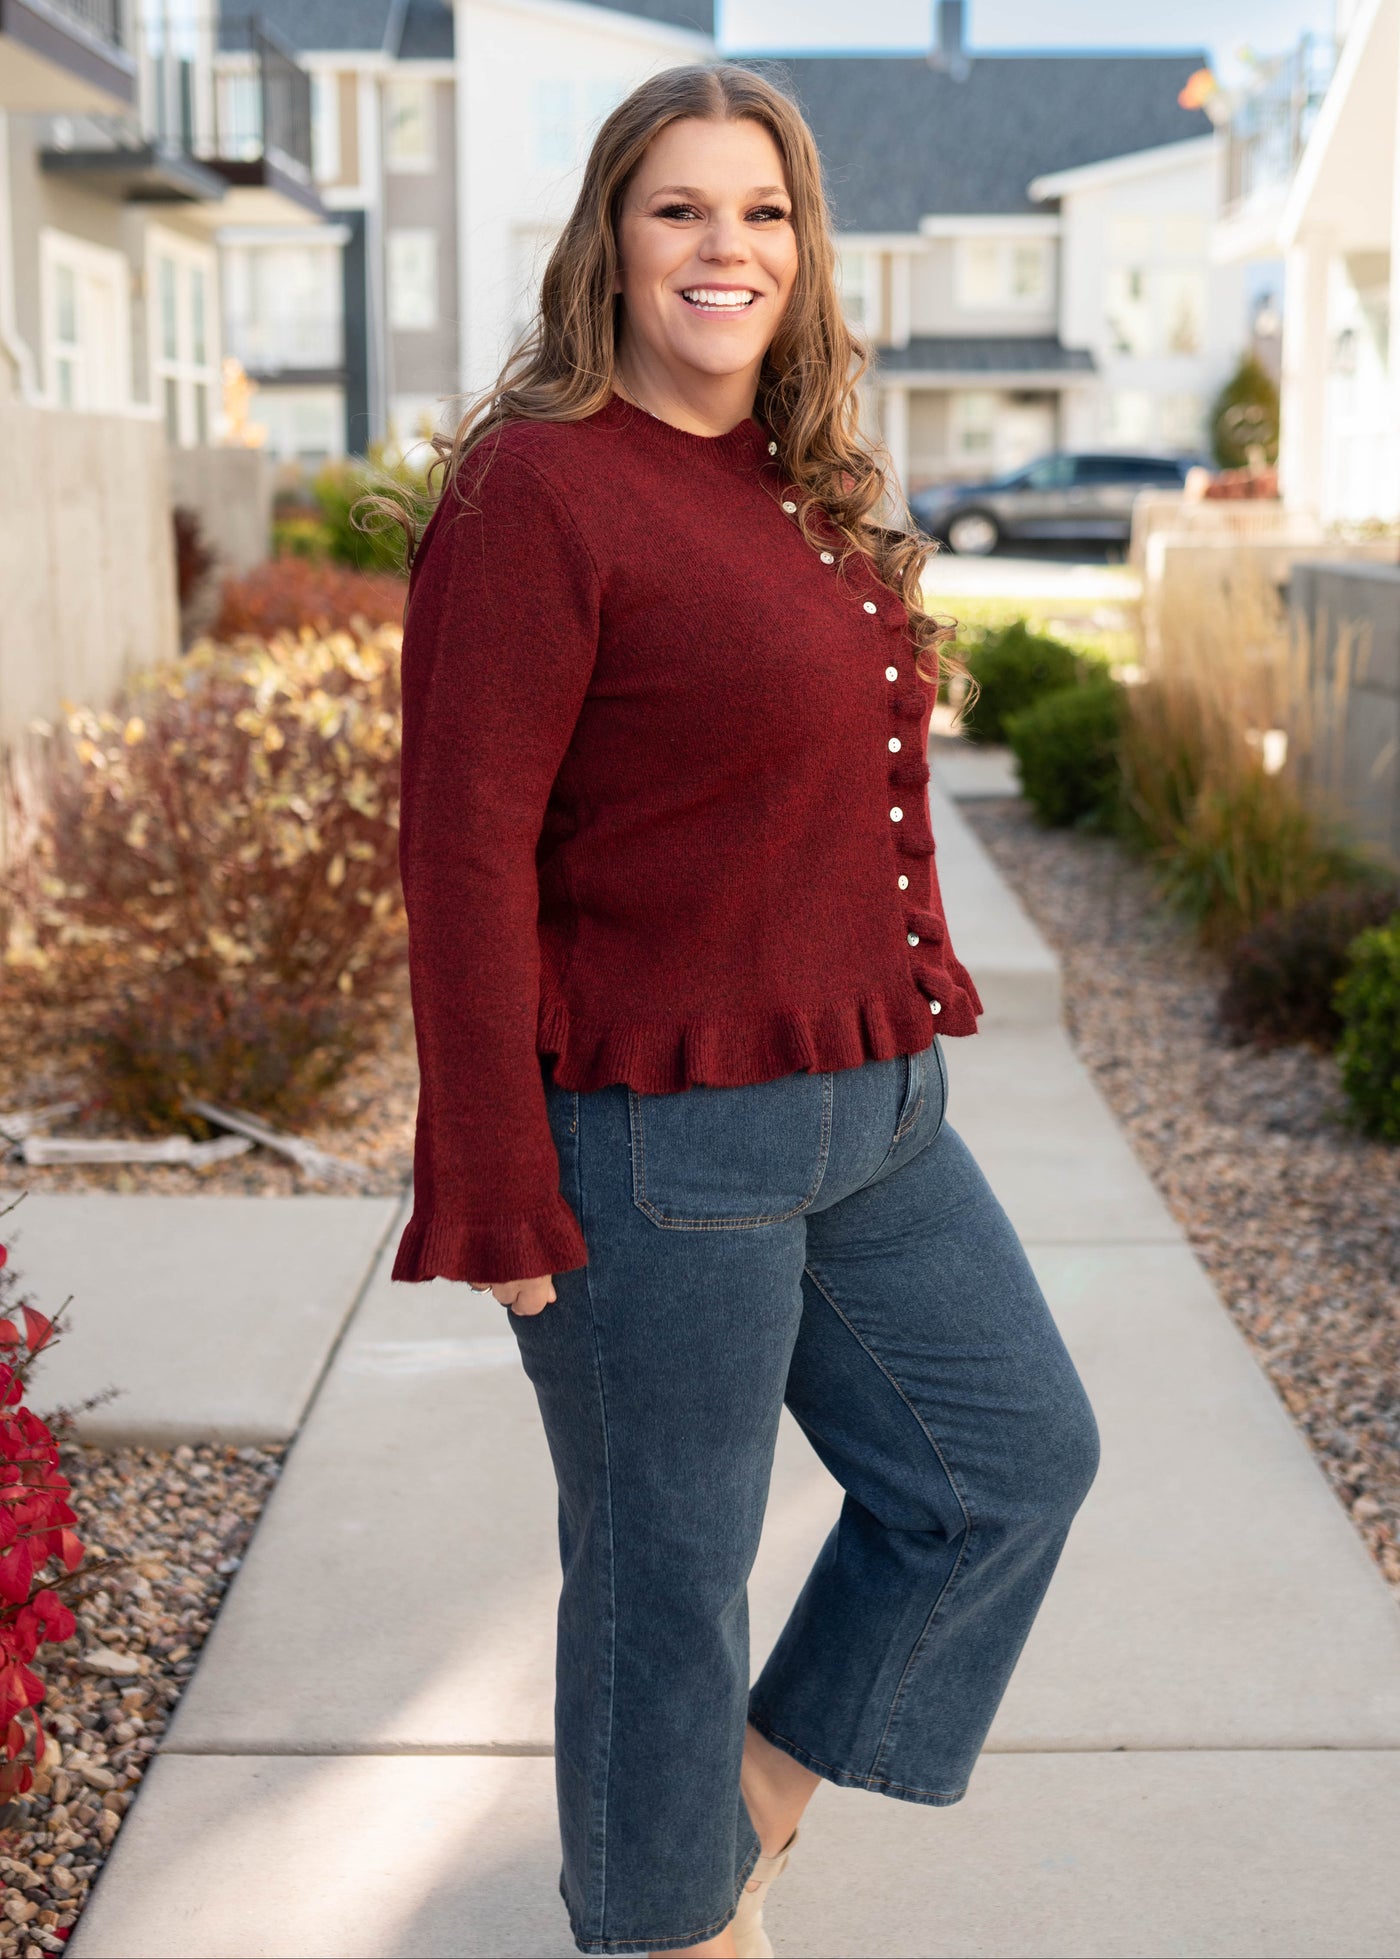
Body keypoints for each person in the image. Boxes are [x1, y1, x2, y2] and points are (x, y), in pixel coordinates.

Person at [388, 61, 1100, 1959]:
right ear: (611, 242)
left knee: (1011, 1466)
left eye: (764, 211)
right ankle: (665, 1926)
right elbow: (458, 848)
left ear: (807, 248)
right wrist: (493, 1185)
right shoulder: (537, 490)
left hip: (873, 1106)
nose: (728, 247)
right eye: (682, 208)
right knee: (664, 1591)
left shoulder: (791, 480)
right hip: (653, 1137)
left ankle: (740, 1817)